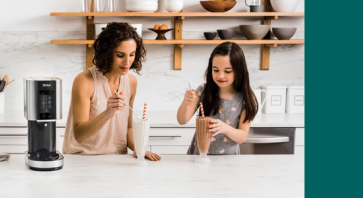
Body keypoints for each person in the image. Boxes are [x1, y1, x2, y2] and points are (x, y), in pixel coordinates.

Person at [62, 22, 160, 161]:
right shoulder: (85, 80)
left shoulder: (131, 82)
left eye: (132, 54)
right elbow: (79, 135)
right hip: (82, 158)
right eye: (120, 55)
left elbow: (129, 128)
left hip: (116, 160)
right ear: (106, 53)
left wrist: (138, 147)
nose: (127, 62)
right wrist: (108, 113)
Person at [177, 42, 259, 155]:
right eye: (215, 70)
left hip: (228, 162)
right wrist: (186, 103)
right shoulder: (203, 91)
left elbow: (242, 137)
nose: (220, 76)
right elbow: (182, 120)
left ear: (239, 71)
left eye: (227, 71)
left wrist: (225, 128)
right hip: (198, 157)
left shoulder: (245, 99)